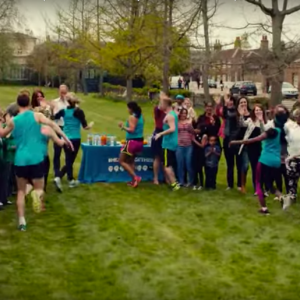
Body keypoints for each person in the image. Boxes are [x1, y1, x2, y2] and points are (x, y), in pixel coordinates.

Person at [0, 93, 72, 231]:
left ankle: (22, 221)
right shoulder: (37, 116)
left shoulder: (13, 121)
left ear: (18, 104)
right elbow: (53, 125)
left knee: (20, 191)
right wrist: (65, 137)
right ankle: (36, 198)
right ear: (29, 103)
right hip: (36, 159)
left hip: (20, 159)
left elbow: (2, 134)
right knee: (39, 187)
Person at [230, 109, 289, 215]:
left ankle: (264, 209)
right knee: (270, 185)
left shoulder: (271, 132)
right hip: (276, 162)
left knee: (258, 184)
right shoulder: (280, 132)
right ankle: (282, 197)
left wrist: (235, 142)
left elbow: (252, 140)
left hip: (265, 160)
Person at [54, 92, 93, 191]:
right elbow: (85, 126)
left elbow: (55, 117)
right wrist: (90, 126)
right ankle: (69, 180)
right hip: (75, 138)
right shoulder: (79, 112)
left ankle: (60, 177)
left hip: (65, 138)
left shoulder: (63, 111)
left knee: (68, 159)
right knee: (70, 160)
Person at [238, 104, 266, 194]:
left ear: (262, 111)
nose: (257, 111)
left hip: (259, 147)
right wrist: (241, 115)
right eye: (256, 110)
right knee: (250, 167)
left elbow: (264, 132)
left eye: (259, 110)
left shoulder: (265, 121)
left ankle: (260, 188)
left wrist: (261, 121)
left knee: (258, 168)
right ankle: (249, 187)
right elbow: (242, 124)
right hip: (249, 147)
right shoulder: (250, 120)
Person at [155, 96, 180, 191]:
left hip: (168, 143)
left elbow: (172, 128)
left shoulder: (170, 116)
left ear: (166, 104)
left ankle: (174, 184)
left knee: (166, 166)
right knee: (168, 164)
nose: (160, 105)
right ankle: (174, 182)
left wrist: (160, 134)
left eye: (161, 103)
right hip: (171, 142)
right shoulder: (172, 113)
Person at [118, 101, 144, 187]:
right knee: (130, 161)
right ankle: (134, 182)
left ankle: (135, 177)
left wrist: (123, 127)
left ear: (131, 109)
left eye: (128, 108)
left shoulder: (132, 117)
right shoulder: (141, 117)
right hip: (139, 142)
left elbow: (132, 130)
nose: (127, 110)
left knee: (121, 160)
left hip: (131, 142)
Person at [176, 108, 199, 187]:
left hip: (188, 146)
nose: (184, 115)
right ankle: (181, 181)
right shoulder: (177, 122)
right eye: (182, 113)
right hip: (179, 145)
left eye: (185, 113)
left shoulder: (189, 122)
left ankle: (190, 181)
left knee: (188, 164)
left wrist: (190, 126)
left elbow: (193, 132)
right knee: (180, 164)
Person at [222, 96, 241, 190]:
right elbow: (224, 114)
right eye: (228, 100)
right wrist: (225, 105)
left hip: (235, 140)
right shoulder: (227, 111)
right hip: (227, 138)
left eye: (231, 100)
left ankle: (239, 184)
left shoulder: (237, 112)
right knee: (230, 163)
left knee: (238, 163)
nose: (229, 102)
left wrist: (233, 139)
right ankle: (230, 184)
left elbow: (238, 127)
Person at [52, 84, 69, 185]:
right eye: (61, 92)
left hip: (68, 129)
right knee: (57, 152)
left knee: (69, 152)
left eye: (64, 92)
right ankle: (56, 173)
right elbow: (53, 116)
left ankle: (65, 172)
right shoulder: (55, 102)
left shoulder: (71, 102)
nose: (63, 94)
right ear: (59, 92)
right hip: (58, 128)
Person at [236, 97, 251, 193]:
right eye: (241, 102)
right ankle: (241, 184)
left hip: (251, 142)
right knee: (242, 165)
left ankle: (245, 184)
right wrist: (240, 115)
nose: (243, 104)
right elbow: (240, 125)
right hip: (240, 142)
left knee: (248, 165)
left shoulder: (251, 114)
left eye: (245, 102)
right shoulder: (236, 114)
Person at [151, 99, 166, 185]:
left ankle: (166, 177)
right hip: (158, 133)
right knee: (157, 157)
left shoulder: (168, 112)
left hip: (166, 134)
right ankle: (156, 178)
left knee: (165, 158)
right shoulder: (157, 110)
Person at [192, 125, 207, 190]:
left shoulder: (204, 136)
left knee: (200, 169)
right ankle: (195, 183)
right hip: (195, 153)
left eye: (198, 129)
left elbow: (202, 145)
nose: (196, 130)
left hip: (200, 153)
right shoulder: (195, 135)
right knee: (194, 169)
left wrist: (194, 140)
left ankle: (201, 184)